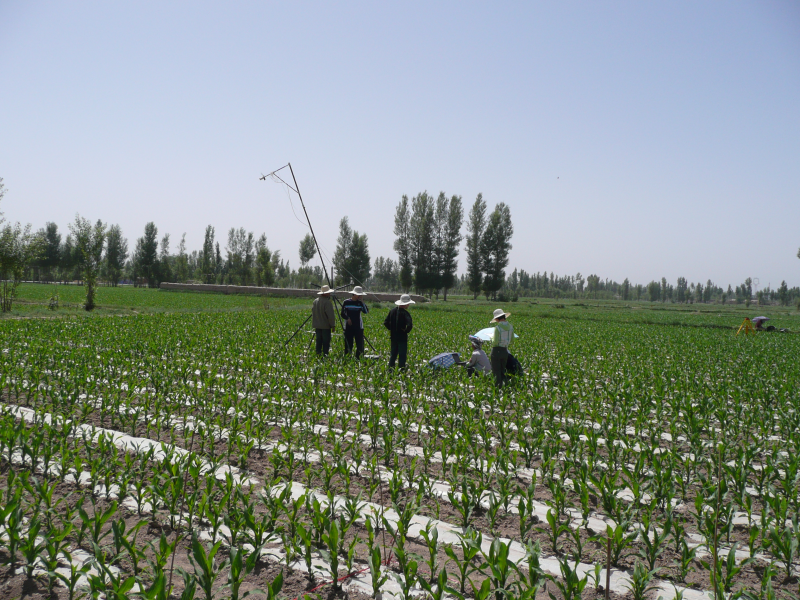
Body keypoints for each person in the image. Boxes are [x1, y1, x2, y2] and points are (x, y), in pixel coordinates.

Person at [384, 294, 414, 369]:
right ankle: (401, 370)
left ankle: (390, 369)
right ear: (406, 304)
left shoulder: (392, 311)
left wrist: (391, 329)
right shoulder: (406, 313)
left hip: (393, 336)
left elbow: (385, 323)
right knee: (402, 355)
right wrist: (406, 331)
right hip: (402, 338)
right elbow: (409, 325)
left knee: (393, 354)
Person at [341, 285, 369, 358]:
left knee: (360, 345)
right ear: (354, 294)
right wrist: (347, 318)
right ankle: (348, 358)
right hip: (349, 326)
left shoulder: (359, 303)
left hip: (358, 327)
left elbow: (366, 311)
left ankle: (359, 359)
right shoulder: (346, 302)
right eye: (358, 294)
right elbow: (342, 313)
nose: (359, 296)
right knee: (348, 344)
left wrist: (362, 302)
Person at [489, 308, 513, 387]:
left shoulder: (497, 328)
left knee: (496, 372)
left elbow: (495, 342)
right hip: (505, 351)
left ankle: (497, 389)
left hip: (496, 351)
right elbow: (512, 340)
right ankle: (505, 388)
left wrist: (491, 338)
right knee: (503, 371)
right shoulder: (510, 327)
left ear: (496, 318)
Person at [311, 284, 336, 356]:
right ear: (325, 293)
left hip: (317, 326)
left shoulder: (315, 301)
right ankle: (325, 356)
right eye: (328, 292)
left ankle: (318, 355)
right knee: (326, 342)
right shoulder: (327, 303)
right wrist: (333, 325)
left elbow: (313, 312)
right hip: (325, 327)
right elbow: (330, 316)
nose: (329, 294)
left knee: (318, 342)